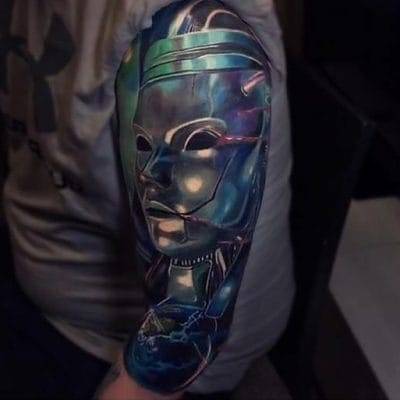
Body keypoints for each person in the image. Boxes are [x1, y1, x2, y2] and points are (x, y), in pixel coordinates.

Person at [0, 0, 295, 399]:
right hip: (36, 276)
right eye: (143, 145)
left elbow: (181, 335)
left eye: (196, 142)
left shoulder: (185, 28)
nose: (153, 171)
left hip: (107, 342)